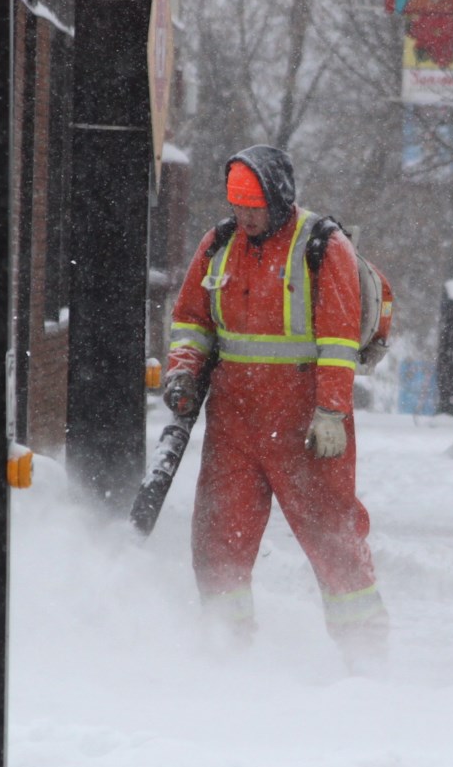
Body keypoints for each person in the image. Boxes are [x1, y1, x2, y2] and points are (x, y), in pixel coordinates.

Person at [163, 145, 388, 664]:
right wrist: (183, 369)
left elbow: (337, 341)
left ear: (280, 199)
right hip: (234, 423)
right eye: (236, 205)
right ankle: (227, 650)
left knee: (333, 537)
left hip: (305, 425)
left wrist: (331, 411)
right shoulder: (219, 245)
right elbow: (192, 321)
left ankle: (366, 653)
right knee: (218, 538)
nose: (243, 216)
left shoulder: (322, 248)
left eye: (253, 206)